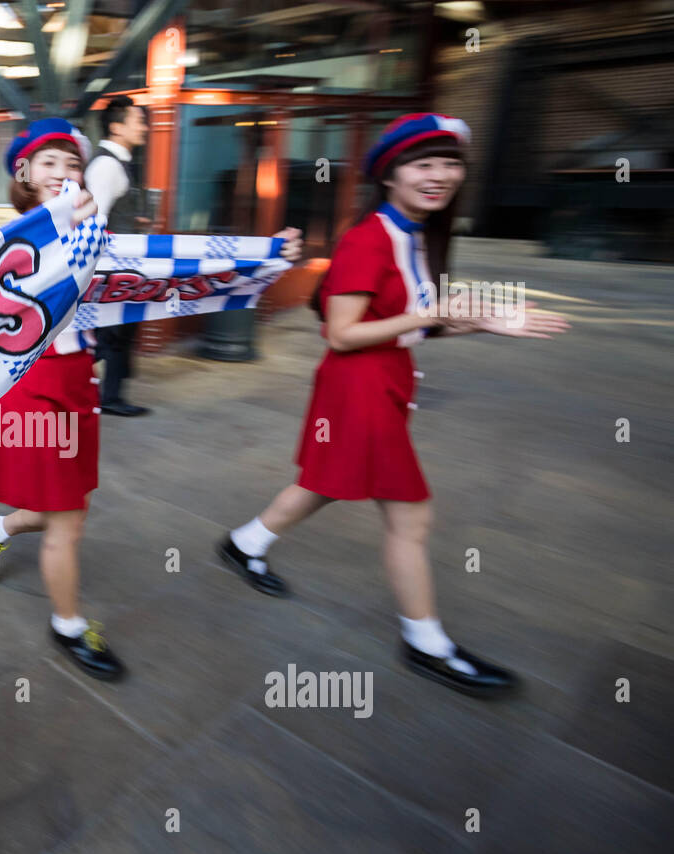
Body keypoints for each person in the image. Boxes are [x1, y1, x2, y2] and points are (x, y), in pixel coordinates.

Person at [0, 119, 302, 681]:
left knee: (63, 504)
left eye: (72, 165)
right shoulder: (2, 237)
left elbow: (167, 266)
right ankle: (68, 624)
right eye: (49, 163)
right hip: (28, 385)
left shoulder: (94, 237)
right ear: (22, 172)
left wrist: (266, 254)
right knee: (68, 515)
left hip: (76, 383)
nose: (62, 174)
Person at [218, 113, 570, 696]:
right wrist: (440, 313)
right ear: (390, 175)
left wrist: (488, 323)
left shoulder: (411, 234)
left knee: (324, 483)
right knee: (411, 514)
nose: (440, 175)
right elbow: (343, 333)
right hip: (358, 387)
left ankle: (244, 544)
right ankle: (427, 644)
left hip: (382, 380)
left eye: (450, 163)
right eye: (423, 164)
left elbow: (403, 327)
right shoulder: (369, 239)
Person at [86, 95, 152, 416]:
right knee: (110, 336)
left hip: (121, 267)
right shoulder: (106, 166)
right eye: (138, 121)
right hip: (110, 269)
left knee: (114, 333)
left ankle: (109, 394)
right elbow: (96, 221)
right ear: (116, 126)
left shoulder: (117, 163)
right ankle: (107, 397)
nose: (146, 127)